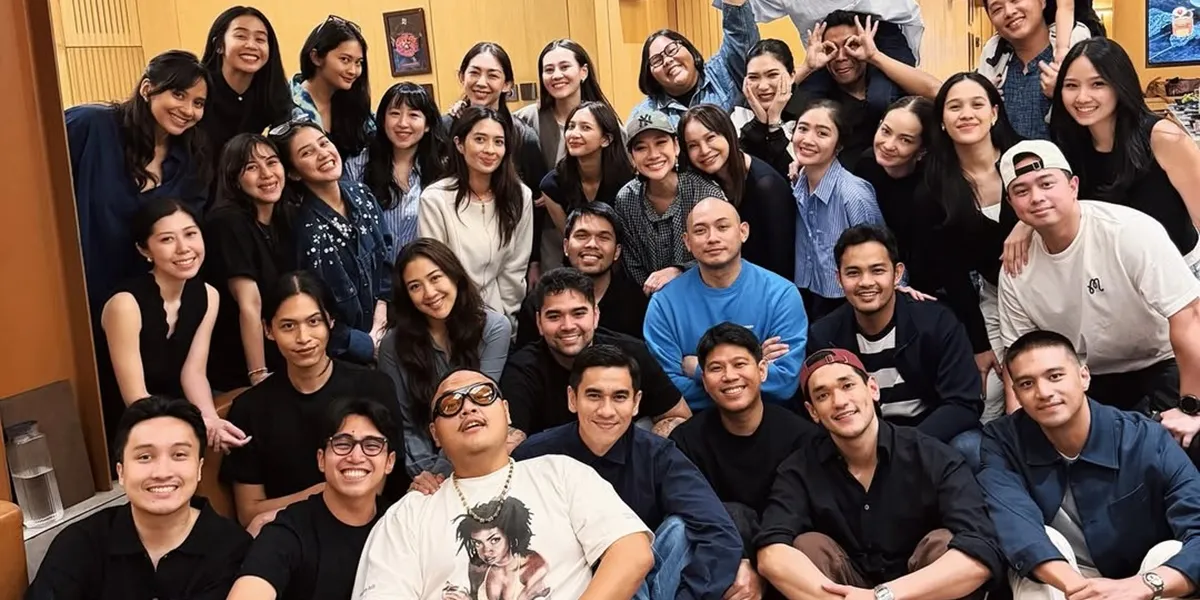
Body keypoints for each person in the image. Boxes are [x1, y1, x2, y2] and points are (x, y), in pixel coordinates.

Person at [351, 368, 655, 599]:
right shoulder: (408, 514)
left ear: (507, 411)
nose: (468, 408)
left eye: (483, 396)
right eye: (450, 404)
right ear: (435, 433)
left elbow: (632, 551)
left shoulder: (560, 473)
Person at [756, 349, 1004, 600]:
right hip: (844, 594)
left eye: (848, 385)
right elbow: (770, 554)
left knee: (944, 543)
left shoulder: (932, 455)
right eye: (823, 395)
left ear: (872, 388)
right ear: (813, 412)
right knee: (808, 547)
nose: (839, 401)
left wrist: (883, 596)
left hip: (918, 593)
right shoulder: (799, 469)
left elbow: (981, 550)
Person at [978, 330, 1200, 600]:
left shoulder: (1145, 438)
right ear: (1016, 393)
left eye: (1055, 376)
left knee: (1169, 552)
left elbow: (1197, 526)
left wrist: (1143, 585)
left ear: (1084, 376)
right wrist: (1083, 590)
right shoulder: (1003, 441)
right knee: (1039, 552)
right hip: (1061, 580)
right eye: (1026, 384)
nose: (1044, 392)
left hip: (1139, 579)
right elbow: (1016, 526)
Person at [996, 140, 1200, 434]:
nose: (1037, 197)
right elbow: (1021, 355)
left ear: (1073, 186)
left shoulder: (1128, 231)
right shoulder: (1016, 266)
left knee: (1183, 441)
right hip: (1084, 375)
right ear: (1012, 203)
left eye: (1046, 183)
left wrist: (1191, 407)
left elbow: (1189, 316)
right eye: (1022, 191)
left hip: (1163, 360)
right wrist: (1018, 431)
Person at [513, 345, 743, 600]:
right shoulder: (534, 456)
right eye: (594, 396)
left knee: (680, 529)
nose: (607, 410)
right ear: (572, 398)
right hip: (567, 584)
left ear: (636, 403)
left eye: (620, 397)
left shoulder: (658, 456)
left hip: (647, 582)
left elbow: (719, 532)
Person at [220, 272, 410, 536]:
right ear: (268, 330)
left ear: (330, 322)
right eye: (288, 326)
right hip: (289, 536)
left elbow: (383, 482)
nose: (303, 337)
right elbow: (250, 513)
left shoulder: (373, 387)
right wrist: (324, 491)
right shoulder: (250, 408)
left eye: (314, 322)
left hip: (369, 530)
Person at [27, 396, 250, 600]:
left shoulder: (233, 550)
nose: (162, 472)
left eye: (179, 455)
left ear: (199, 468)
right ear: (121, 472)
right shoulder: (80, 544)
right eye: (145, 457)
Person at [808, 225, 984, 466]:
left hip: (929, 436)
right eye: (853, 273)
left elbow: (963, 404)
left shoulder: (936, 322)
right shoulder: (824, 335)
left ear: (897, 273)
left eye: (877, 270)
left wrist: (903, 446)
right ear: (838, 278)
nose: (866, 282)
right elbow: (821, 411)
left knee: (970, 446)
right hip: (861, 440)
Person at [671, 323, 821, 599]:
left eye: (740, 364)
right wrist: (738, 559)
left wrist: (759, 565)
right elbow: (693, 513)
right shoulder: (686, 441)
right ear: (704, 380)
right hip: (718, 566)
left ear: (762, 370)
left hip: (785, 557)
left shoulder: (802, 436)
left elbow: (803, 513)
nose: (730, 376)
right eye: (716, 368)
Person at [66, 50, 210, 324]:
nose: (188, 110)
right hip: (73, 294)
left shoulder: (192, 161)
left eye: (199, 103)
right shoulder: (90, 125)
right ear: (147, 88)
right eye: (178, 94)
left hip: (141, 311)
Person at [98, 198, 245, 456]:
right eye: (167, 240)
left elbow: (194, 372)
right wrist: (183, 430)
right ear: (145, 250)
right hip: (126, 423)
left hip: (176, 412)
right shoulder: (125, 304)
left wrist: (209, 419)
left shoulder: (209, 295)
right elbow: (135, 396)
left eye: (190, 234)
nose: (184, 248)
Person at [1045, 38, 1200, 276]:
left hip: (1179, 274)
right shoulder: (1068, 143)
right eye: (1071, 85)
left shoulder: (1164, 138)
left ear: (1120, 84)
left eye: (1097, 84)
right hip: (1116, 281)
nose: (1082, 97)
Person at [921, 72, 1022, 421]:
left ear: (994, 113)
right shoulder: (935, 184)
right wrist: (979, 345)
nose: (966, 114)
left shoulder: (1025, 161)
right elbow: (953, 274)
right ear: (943, 122)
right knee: (991, 391)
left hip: (1052, 289)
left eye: (977, 104)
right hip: (994, 298)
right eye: (955, 107)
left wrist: (1024, 224)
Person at [227, 397, 398, 600]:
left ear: (389, 462)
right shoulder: (288, 531)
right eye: (342, 444)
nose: (356, 457)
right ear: (321, 460)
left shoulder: (401, 525)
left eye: (371, 445)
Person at [644, 198, 808, 410]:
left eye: (722, 227)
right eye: (701, 230)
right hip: (694, 422)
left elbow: (784, 382)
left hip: (767, 418)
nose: (712, 238)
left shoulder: (781, 295)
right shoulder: (664, 303)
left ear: (743, 232)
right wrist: (752, 369)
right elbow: (666, 388)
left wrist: (699, 370)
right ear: (687, 241)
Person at [378, 239, 511, 482]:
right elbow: (404, 424)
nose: (429, 293)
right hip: (421, 473)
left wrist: (443, 473)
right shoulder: (392, 345)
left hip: (480, 456)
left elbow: (482, 406)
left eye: (435, 277)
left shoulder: (494, 328)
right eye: (415, 286)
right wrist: (428, 475)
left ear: (454, 275)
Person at [502, 268, 692, 438]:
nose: (568, 326)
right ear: (539, 322)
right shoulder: (522, 370)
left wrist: (646, 458)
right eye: (554, 316)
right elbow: (511, 443)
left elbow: (679, 416)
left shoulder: (633, 353)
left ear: (595, 315)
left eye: (578, 314)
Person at [271, 120, 390, 363]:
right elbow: (306, 304)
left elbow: (387, 259)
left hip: (388, 330)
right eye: (307, 152)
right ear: (293, 172)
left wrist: (381, 318)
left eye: (324, 143)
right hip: (338, 355)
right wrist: (364, 343)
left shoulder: (362, 194)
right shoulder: (299, 228)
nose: (323, 153)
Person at [418, 106, 534, 324]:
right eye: (480, 139)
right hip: (450, 317)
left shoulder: (520, 196)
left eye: (498, 142)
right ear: (460, 144)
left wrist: (506, 319)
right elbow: (434, 270)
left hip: (499, 318)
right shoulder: (435, 199)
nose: (490, 150)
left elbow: (515, 267)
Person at [446, 42, 549, 281]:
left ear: (507, 85)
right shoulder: (444, 129)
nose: (481, 82)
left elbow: (537, 207)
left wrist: (534, 261)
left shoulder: (524, 137)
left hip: (510, 259)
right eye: (474, 73)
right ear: (462, 76)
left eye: (492, 75)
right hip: (455, 256)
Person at [792, 12, 941, 170]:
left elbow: (937, 91)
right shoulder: (821, 99)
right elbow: (769, 102)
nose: (841, 56)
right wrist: (807, 68)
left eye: (851, 45)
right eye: (831, 49)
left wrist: (875, 56)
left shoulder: (893, 88)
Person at [205, 133, 295, 391]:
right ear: (234, 178)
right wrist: (258, 374)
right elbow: (249, 302)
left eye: (272, 162)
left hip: (282, 354)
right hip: (239, 366)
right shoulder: (226, 222)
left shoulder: (284, 217)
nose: (267, 174)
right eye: (251, 167)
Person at [516, 39, 614, 271]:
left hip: (598, 238)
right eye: (548, 70)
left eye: (564, 67)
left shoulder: (608, 124)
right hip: (542, 237)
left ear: (583, 72)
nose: (556, 75)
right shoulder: (525, 120)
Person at [612, 110, 726, 291]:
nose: (653, 154)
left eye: (660, 143)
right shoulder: (626, 199)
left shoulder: (705, 191)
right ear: (631, 157)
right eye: (641, 148)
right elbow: (631, 262)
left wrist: (680, 270)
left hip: (707, 292)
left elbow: (724, 250)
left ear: (676, 146)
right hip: (651, 301)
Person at [791, 99, 884, 320]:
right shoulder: (798, 182)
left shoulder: (853, 194)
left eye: (822, 133)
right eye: (802, 129)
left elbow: (881, 249)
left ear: (839, 145)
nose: (807, 139)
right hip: (807, 293)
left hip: (849, 301)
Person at [680, 104, 796, 279]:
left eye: (710, 138)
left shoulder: (766, 186)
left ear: (729, 134)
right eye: (693, 145)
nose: (704, 150)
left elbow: (781, 262)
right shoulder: (699, 183)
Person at [515, 202, 649, 346]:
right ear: (566, 246)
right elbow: (525, 358)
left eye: (603, 238)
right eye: (582, 236)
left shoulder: (635, 302)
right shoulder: (540, 299)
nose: (592, 244)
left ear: (617, 251)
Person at [345, 82, 449, 261]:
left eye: (413, 115)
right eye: (394, 113)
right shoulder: (357, 166)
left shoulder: (443, 169)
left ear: (427, 125)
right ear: (383, 120)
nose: (402, 123)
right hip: (374, 279)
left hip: (423, 274)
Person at [197, 5, 292, 191]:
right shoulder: (198, 89)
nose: (251, 45)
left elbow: (283, 147)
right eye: (241, 36)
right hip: (200, 190)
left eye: (260, 39)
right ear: (219, 45)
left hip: (253, 191)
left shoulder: (273, 92)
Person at [977, 0, 1091, 140]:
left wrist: (1066, 91)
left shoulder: (1078, 51)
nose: (1009, 12)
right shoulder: (992, 63)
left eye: (1016, 0)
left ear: (1043, 2)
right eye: (997, 9)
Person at [631, 0, 759, 124]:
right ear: (650, 75)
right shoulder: (645, 115)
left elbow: (740, 36)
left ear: (689, 50)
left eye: (671, 49)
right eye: (657, 60)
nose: (667, 60)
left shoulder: (724, 70)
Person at [852, 96, 936, 275]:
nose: (888, 145)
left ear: (922, 150)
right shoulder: (866, 164)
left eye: (905, 140)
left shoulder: (929, 190)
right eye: (885, 131)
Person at [290, 15, 373, 164]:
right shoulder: (287, 107)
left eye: (358, 62)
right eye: (345, 60)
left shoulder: (354, 103)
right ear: (316, 57)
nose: (353, 71)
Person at [539, 101, 635, 224]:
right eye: (571, 127)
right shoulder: (552, 185)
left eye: (585, 128)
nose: (573, 134)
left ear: (606, 139)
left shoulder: (629, 182)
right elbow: (568, 237)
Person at [735, 0, 925, 62]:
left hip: (879, 27)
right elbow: (741, 8)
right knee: (807, 102)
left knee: (883, 97)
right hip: (825, 44)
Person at [736, 39, 802, 178]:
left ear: (791, 76)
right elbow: (737, 170)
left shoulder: (809, 113)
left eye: (772, 75)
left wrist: (774, 124)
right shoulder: (739, 113)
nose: (763, 86)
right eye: (753, 77)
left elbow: (796, 177)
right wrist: (759, 123)